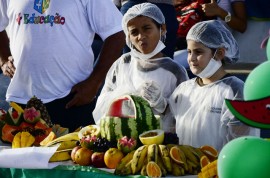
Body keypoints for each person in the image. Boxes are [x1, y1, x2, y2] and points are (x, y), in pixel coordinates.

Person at [0, 0, 125, 132]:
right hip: (22, 100)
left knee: (74, 153)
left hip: (72, 99)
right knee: (21, 152)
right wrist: (3, 59)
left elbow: (117, 33)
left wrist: (94, 83)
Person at [93, 3, 188, 132]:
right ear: (128, 37)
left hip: (159, 142)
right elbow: (102, 104)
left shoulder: (174, 71)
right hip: (124, 140)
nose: (141, 36)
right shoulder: (123, 64)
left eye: (147, 28)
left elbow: (186, 116)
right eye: (134, 32)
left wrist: (163, 105)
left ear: (163, 29)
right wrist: (121, 98)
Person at [168, 20, 259, 151]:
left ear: (220, 53)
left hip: (217, 170)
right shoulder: (184, 89)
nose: (191, 58)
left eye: (198, 52)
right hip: (185, 169)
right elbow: (169, 127)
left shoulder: (234, 91)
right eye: (189, 51)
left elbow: (239, 145)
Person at [174, 0, 247, 69]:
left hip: (209, 48)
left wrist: (220, 12)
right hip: (180, 41)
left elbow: (241, 26)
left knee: (168, 64)